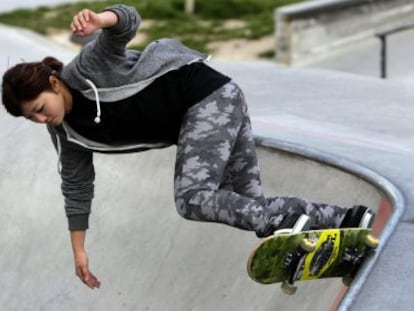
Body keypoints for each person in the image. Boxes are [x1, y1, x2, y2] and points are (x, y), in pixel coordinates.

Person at [1, 5, 375, 290]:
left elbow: (128, 22)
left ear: (53, 83)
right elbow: (77, 187)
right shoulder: (67, 135)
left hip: (206, 97)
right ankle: (345, 220)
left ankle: (298, 226)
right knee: (246, 205)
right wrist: (79, 251)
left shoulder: (86, 69)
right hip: (216, 104)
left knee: (193, 198)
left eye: (39, 109)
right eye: (30, 119)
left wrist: (100, 19)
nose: (40, 119)